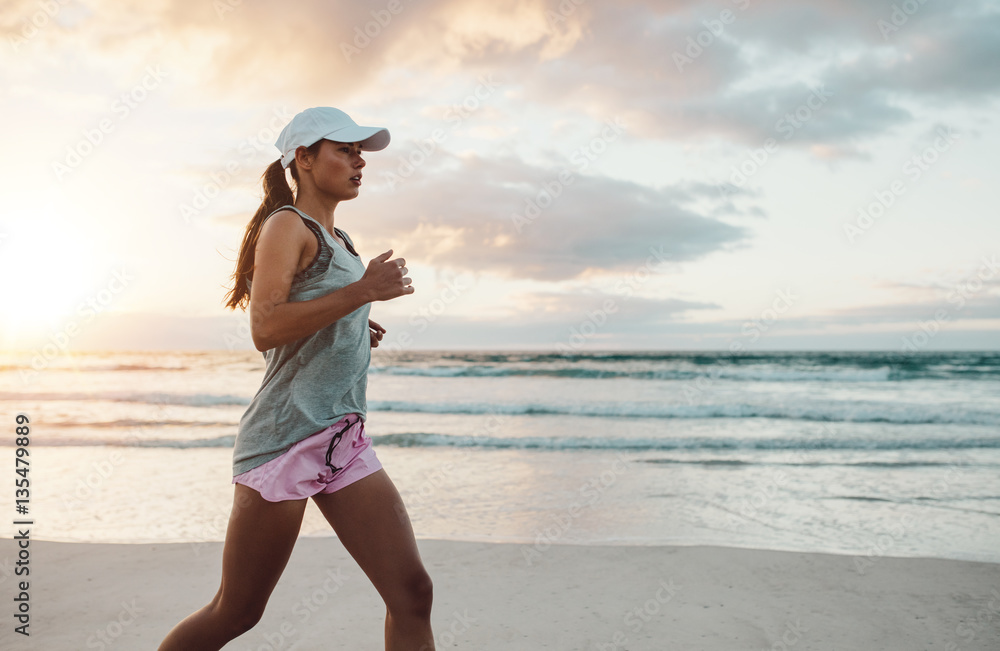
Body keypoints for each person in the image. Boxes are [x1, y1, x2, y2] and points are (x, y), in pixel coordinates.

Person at [158, 107, 435, 650]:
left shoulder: (343, 238)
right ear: (304, 160)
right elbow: (264, 327)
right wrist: (359, 294)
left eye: (361, 153)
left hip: (342, 439)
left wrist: (355, 321)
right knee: (236, 612)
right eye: (345, 150)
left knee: (412, 593)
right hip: (285, 441)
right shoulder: (286, 225)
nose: (359, 162)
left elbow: (310, 309)